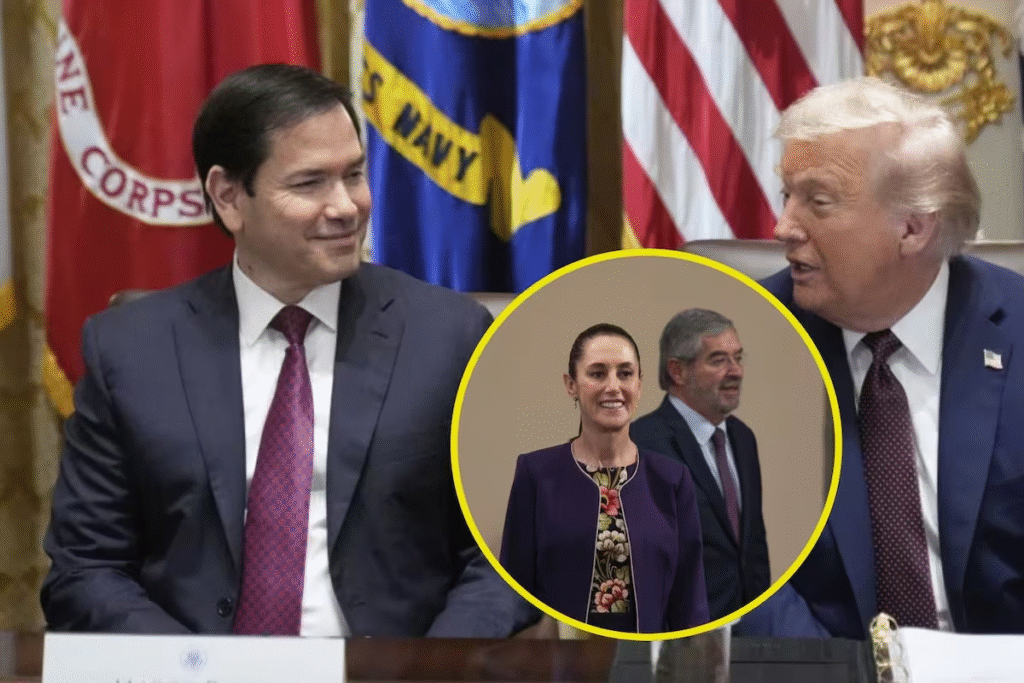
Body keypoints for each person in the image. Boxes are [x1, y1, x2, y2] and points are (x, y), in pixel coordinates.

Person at [41, 63, 534, 637]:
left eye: (354, 175)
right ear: (229, 196)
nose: (346, 206)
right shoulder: (131, 351)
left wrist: (426, 670)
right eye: (309, 183)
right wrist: (198, 672)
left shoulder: (449, 338)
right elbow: (87, 569)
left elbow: (507, 559)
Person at [743, 76, 1024, 637]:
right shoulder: (744, 340)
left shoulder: (1014, 329)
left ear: (913, 228)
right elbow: (725, 562)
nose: (784, 227)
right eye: (787, 196)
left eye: (817, 202)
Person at [500, 323, 710, 633]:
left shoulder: (672, 479)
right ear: (571, 385)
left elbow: (690, 604)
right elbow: (512, 596)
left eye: (625, 373)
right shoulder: (536, 473)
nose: (613, 386)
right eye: (597, 374)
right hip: (559, 656)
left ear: (639, 384)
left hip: (646, 657)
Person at [630, 309, 770, 621]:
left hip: (748, 631)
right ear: (678, 371)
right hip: (684, 635)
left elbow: (752, 547)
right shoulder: (641, 444)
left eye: (738, 358)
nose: (736, 371)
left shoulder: (743, 438)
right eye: (718, 360)